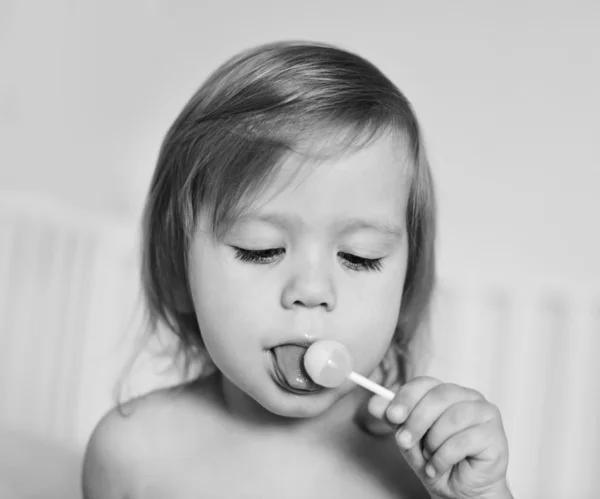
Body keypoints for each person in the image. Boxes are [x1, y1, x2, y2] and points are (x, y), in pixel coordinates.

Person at [82, 41, 512, 499]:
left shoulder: (422, 465)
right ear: (175, 273)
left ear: (405, 287)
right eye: (260, 250)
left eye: (359, 257)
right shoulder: (132, 454)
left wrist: (479, 495)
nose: (312, 290)